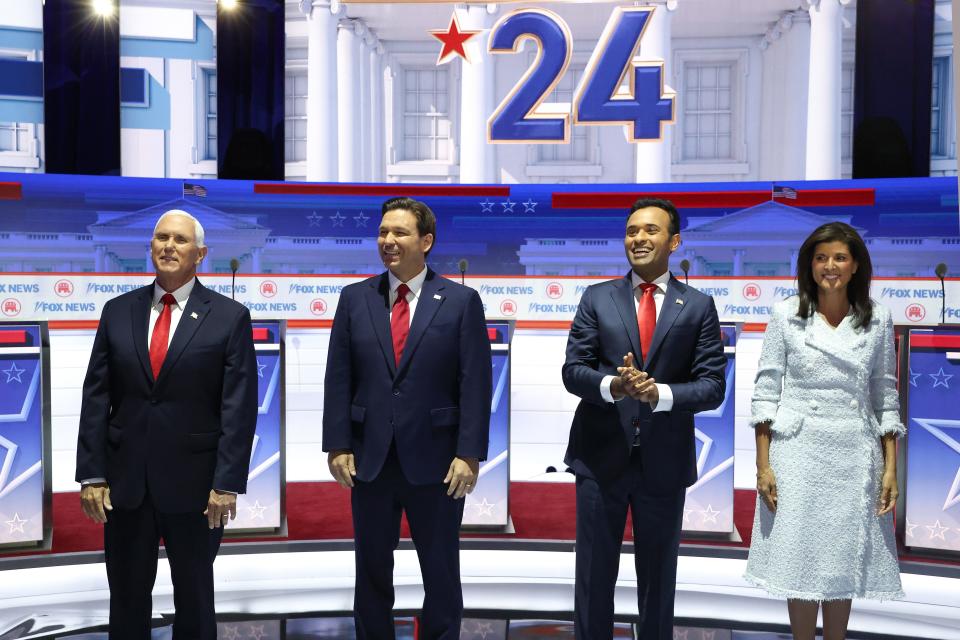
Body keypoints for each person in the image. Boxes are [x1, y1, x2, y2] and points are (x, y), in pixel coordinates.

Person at [75, 210, 259, 640]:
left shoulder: (229, 317)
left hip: (196, 490)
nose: (168, 247)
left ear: (201, 254)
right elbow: (96, 396)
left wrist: (227, 482)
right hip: (126, 486)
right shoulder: (118, 311)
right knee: (126, 599)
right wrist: (92, 474)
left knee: (194, 602)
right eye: (161, 238)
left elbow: (238, 406)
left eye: (179, 240)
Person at [323, 197, 492, 640]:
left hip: (437, 462)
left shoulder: (460, 301)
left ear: (426, 241)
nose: (388, 241)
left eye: (399, 233)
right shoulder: (355, 298)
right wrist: (337, 444)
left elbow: (474, 383)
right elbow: (338, 377)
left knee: (440, 572)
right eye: (382, 233)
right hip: (370, 459)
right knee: (371, 572)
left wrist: (469, 453)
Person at [562, 198, 726, 639]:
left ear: (673, 241)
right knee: (594, 579)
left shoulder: (697, 306)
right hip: (599, 458)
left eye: (651, 230)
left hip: (664, 461)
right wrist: (613, 387)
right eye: (632, 230)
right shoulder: (597, 297)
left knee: (658, 582)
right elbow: (573, 371)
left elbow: (712, 386)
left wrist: (661, 393)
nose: (639, 238)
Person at [744, 222, 904, 640]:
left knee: (839, 556)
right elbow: (765, 393)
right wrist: (763, 466)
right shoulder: (785, 314)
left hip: (854, 450)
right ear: (809, 265)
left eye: (839, 258)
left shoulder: (878, 319)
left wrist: (891, 468)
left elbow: (885, 395)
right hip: (797, 450)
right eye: (820, 258)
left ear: (855, 267)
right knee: (800, 553)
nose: (829, 266)